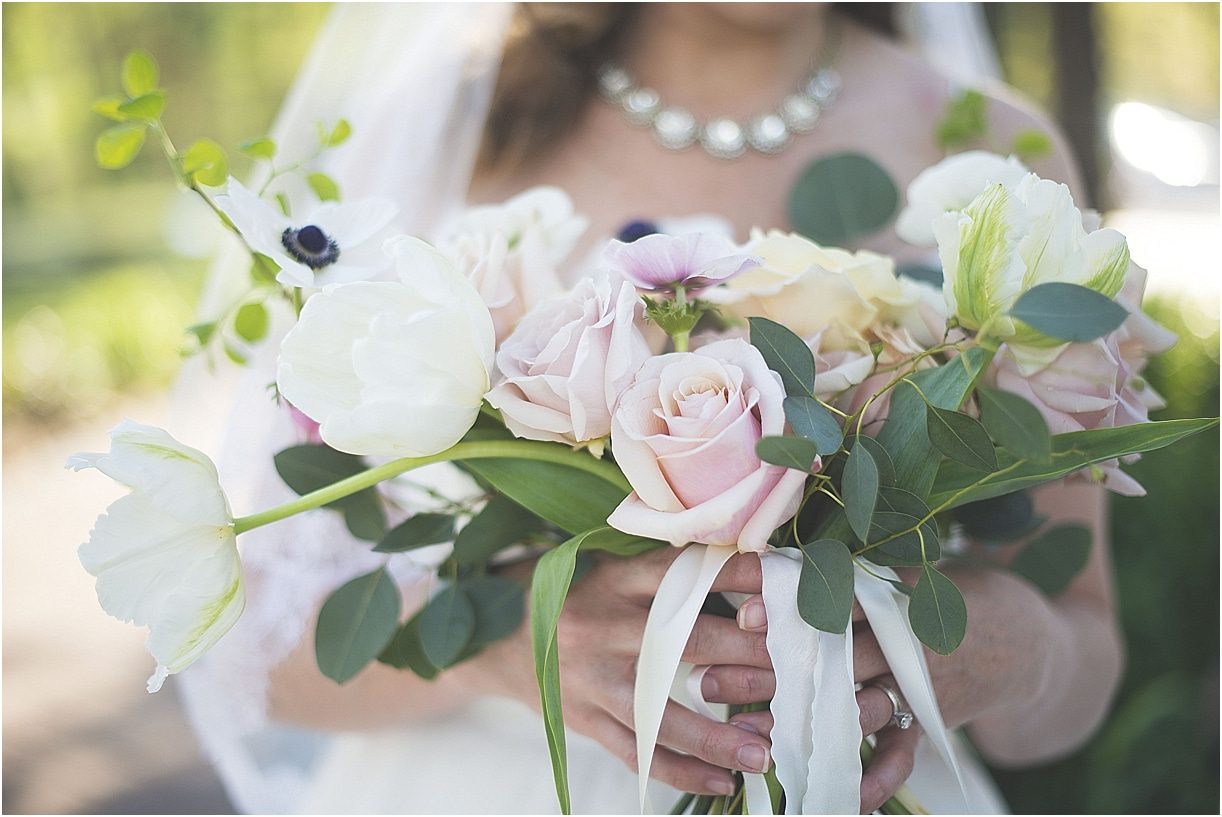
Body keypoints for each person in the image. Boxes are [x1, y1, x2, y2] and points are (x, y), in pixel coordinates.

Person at [177, 4, 1123, 814]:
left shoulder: (992, 151)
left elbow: (1084, 648)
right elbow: (249, 640)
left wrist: (1008, 648)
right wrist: (501, 643)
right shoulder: (453, 132)